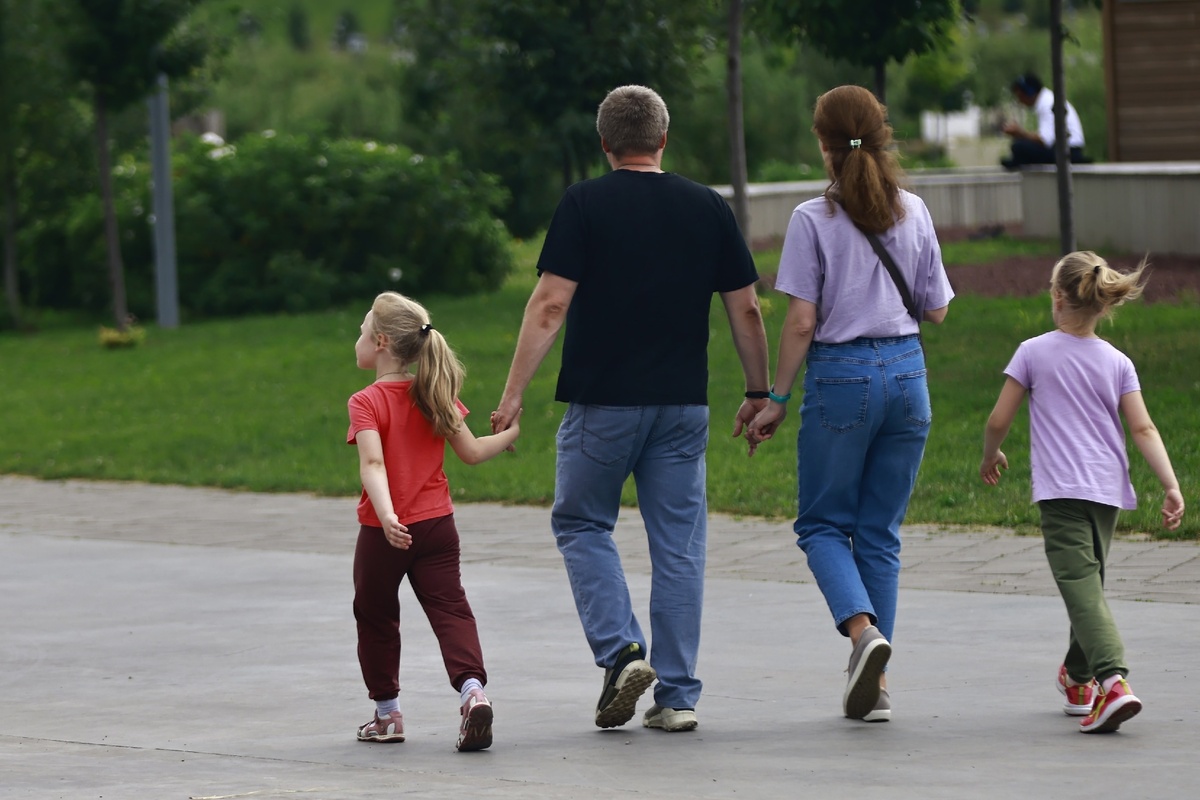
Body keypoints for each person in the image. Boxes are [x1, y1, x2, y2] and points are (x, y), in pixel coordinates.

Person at [489, 84, 770, 733]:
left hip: (602, 405)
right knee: (678, 547)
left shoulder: (584, 203)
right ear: (663, 138)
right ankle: (676, 698)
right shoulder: (707, 207)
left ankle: (621, 652)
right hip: (681, 409)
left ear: (605, 142)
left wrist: (513, 394)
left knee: (583, 524)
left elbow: (550, 303)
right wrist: (759, 395)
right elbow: (747, 308)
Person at [746, 85, 954, 723]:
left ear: (823, 143)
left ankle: (864, 635)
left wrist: (776, 396)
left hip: (844, 378)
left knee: (821, 526)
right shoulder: (914, 210)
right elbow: (939, 309)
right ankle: (877, 685)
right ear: (882, 135)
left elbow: (802, 321)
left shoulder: (814, 219)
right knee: (879, 535)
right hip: (909, 375)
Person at [979, 251, 1184, 734]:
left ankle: (1113, 682)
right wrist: (1171, 485)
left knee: (1082, 588)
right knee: (1087, 585)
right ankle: (1078, 679)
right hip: (1107, 491)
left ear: (1057, 297)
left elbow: (998, 419)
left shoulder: (1032, 351)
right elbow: (1144, 428)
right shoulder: (1118, 361)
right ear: (1100, 303)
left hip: (1062, 492)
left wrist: (991, 454)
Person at [347, 291, 521, 751]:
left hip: (386, 532)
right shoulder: (433, 393)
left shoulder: (366, 401)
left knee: (376, 614)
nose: (358, 340)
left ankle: (387, 715)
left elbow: (373, 465)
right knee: (450, 609)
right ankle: (473, 692)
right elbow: (473, 452)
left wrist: (386, 516)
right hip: (439, 527)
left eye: (363, 332)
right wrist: (511, 434)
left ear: (381, 342)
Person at [1001, 72, 1087, 170]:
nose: (1020, 101)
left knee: (1018, 147)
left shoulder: (1046, 103)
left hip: (1069, 152)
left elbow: (1045, 140)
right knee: (1020, 144)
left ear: (1030, 92)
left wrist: (1020, 133)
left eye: (1020, 96)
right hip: (1065, 150)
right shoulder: (1047, 99)